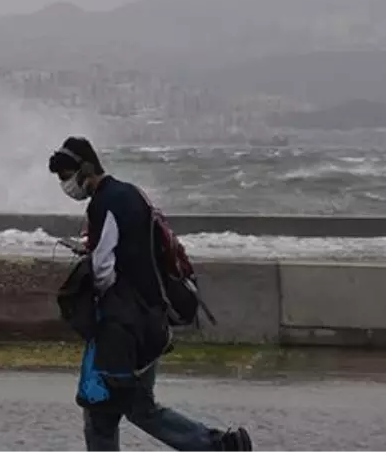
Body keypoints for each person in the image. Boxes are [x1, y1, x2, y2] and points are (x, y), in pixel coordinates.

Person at [49, 136, 253, 452]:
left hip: (123, 328)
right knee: (138, 407)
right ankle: (220, 446)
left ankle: (218, 446)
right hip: (150, 319)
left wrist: (95, 289)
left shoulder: (104, 203)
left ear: (85, 169)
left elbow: (104, 267)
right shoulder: (132, 193)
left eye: (66, 176)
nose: (65, 184)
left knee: (103, 415)